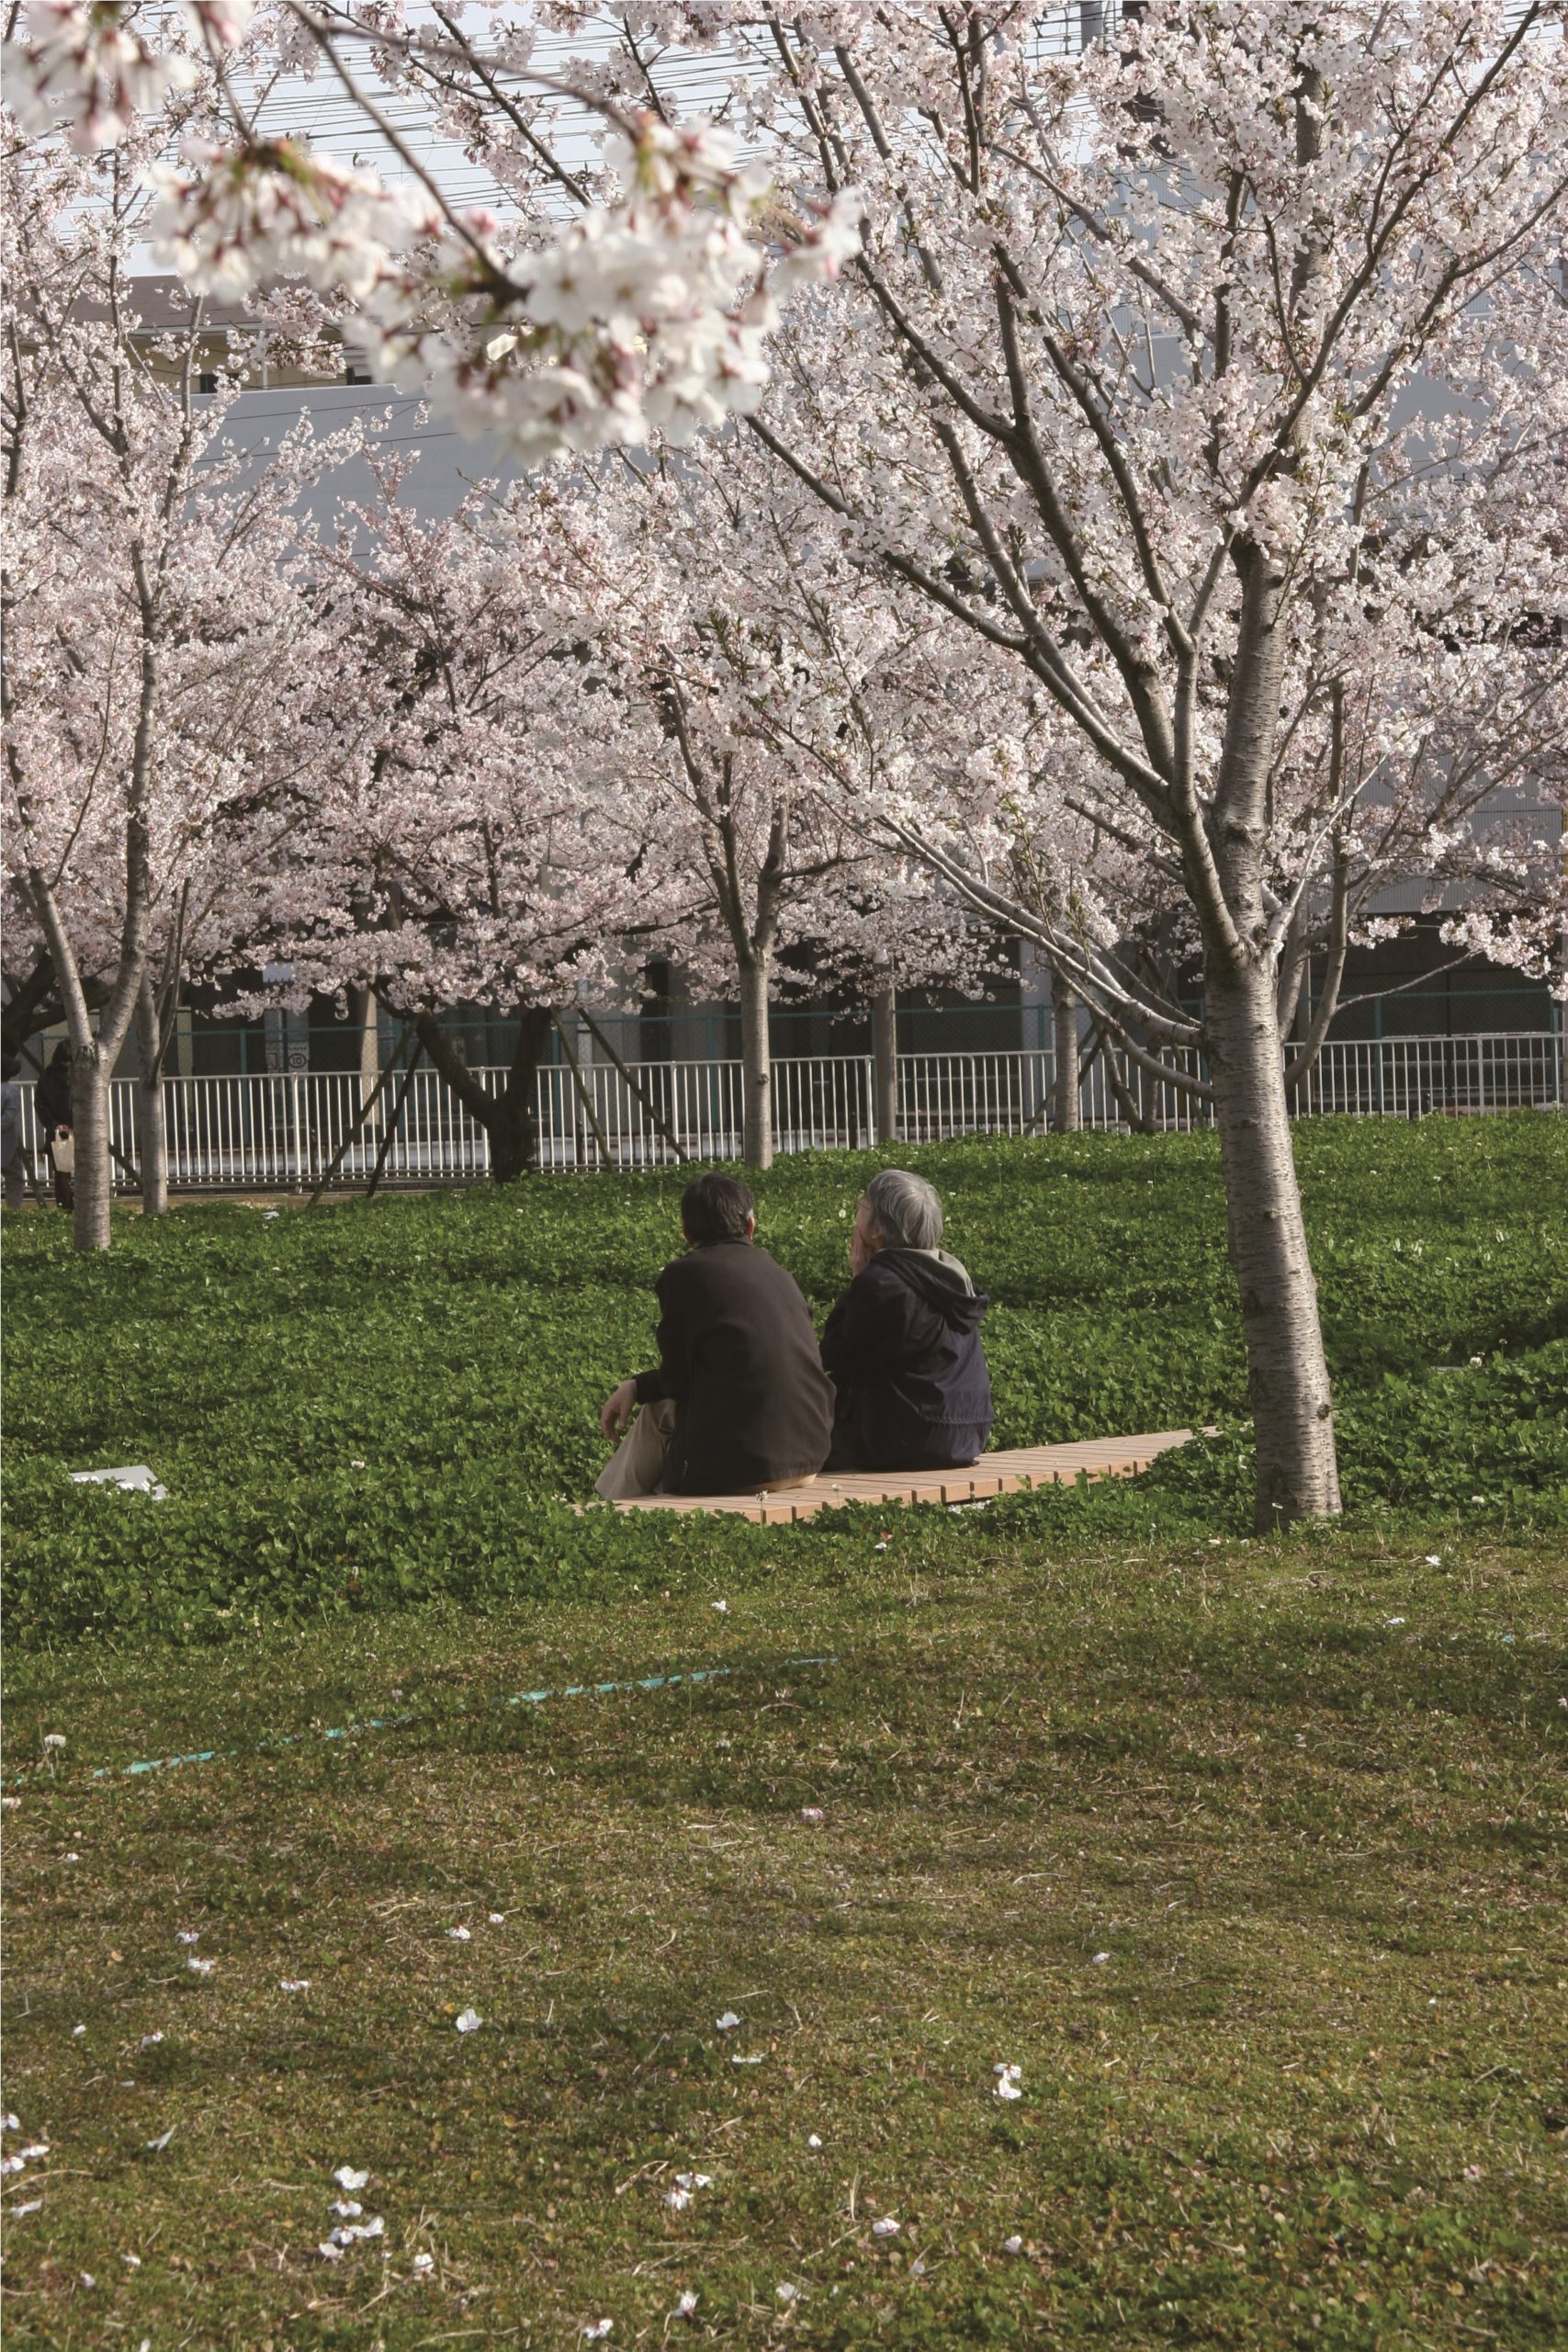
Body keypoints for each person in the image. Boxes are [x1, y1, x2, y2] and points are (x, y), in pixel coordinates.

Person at [597, 1171, 833, 1499]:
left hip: (741, 1470)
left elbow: (676, 1380)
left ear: (686, 1232)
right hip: (810, 1457)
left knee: (657, 1412)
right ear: (751, 1226)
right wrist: (637, 1387)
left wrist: (639, 1388)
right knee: (664, 1413)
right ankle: (614, 1501)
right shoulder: (780, 1274)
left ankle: (608, 1506)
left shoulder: (684, 1275)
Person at [820, 1167, 993, 1473]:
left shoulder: (883, 1284)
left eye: (865, 1203)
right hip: (968, 1434)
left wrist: (858, 1278)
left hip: (910, 1437)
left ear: (878, 1230)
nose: (858, 1206)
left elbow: (835, 1353)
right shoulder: (953, 1278)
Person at [34, 1041, 73, 1212]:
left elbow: (40, 1103)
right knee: (88, 1170)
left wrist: (54, 1124)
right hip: (81, 1128)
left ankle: (65, 1208)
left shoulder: (46, 1076)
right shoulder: (80, 1074)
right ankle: (84, 1206)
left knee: (61, 1173)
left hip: (57, 1131)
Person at [1, 1052, 28, 1210]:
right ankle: (13, 1211)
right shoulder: (11, 1091)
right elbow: (8, 1118)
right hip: (5, 1141)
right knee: (15, 1178)